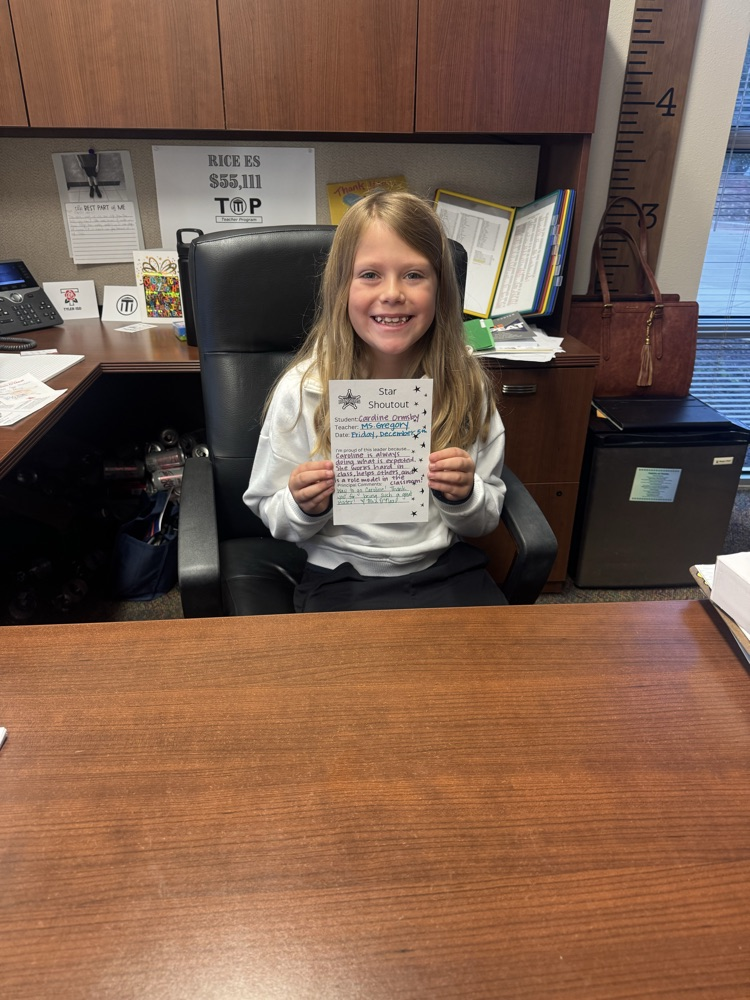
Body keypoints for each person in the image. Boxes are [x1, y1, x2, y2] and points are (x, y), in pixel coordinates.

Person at [243, 190, 507, 612]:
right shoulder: (304, 389)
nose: (392, 293)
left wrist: (464, 496)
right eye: (369, 275)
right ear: (341, 286)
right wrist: (301, 505)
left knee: (491, 673)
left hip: (443, 567)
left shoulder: (465, 386)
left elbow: (485, 519)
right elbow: (272, 514)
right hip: (338, 575)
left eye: (414, 275)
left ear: (441, 288)